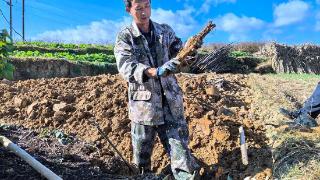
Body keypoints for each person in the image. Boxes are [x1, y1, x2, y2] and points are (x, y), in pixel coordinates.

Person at [114, 0, 200, 179]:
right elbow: (125, 66)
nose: (144, 12)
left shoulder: (165, 31)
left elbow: (180, 53)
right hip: (143, 108)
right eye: (139, 8)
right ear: (129, 9)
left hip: (171, 104)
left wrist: (190, 52)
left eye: (147, 6)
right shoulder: (125, 36)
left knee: (182, 158)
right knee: (142, 164)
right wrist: (153, 71)